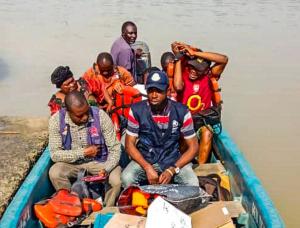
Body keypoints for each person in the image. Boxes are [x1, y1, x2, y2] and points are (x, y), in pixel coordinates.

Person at [121, 71, 199, 188]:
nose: (154, 95)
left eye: (159, 91)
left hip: (172, 159)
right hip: (145, 158)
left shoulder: (182, 111)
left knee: (192, 184)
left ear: (167, 91)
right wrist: (147, 167)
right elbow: (129, 145)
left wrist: (172, 170)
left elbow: (193, 147)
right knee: (127, 178)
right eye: (150, 90)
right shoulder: (136, 110)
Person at [48, 91, 121, 206]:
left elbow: (115, 148)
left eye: (86, 112)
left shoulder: (101, 116)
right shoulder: (56, 121)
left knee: (116, 180)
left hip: (100, 162)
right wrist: (83, 153)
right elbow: (55, 154)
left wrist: (106, 169)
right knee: (55, 172)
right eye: (79, 115)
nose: (85, 117)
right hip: (73, 164)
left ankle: (107, 208)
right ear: (68, 112)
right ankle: (71, 204)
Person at [172, 41, 228, 164]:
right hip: (184, 123)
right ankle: (181, 163)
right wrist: (177, 59)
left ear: (205, 70)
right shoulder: (184, 75)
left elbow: (224, 59)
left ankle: (201, 167)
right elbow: (177, 86)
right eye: (191, 67)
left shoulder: (208, 76)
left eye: (197, 69)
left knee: (207, 132)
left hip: (201, 122)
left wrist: (196, 53)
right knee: (181, 137)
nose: (193, 71)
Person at [48, 66, 113, 115]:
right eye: (67, 84)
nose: (72, 85)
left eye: (72, 81)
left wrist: (109, 102)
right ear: (60, 87)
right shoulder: (56, 101)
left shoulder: (85, 84)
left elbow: (101, 86)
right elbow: (57, 119)